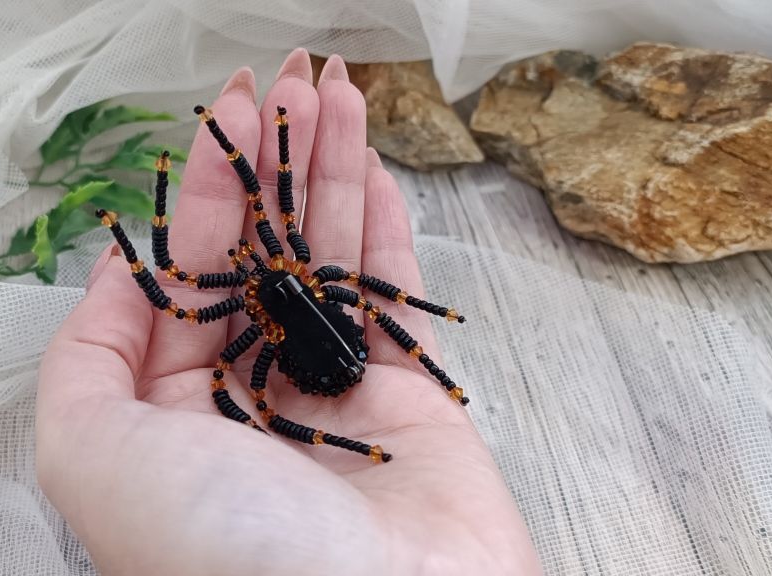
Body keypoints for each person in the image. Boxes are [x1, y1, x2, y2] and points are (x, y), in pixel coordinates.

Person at [35, 48, 543, 576]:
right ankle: (417, 398)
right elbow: (183, 282)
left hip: (330, 348)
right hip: (314, 352)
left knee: (333, 297)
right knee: (292, 339)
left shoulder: (290, 274)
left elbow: (245, 225)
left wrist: (258, 143)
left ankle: (431, 385)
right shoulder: (291, 271)